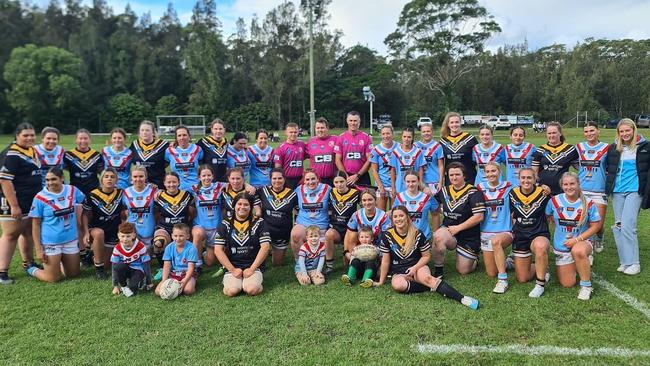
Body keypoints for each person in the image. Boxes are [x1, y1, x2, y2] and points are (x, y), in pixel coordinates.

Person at [376, 205, 480, 310]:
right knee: (398, 285)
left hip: (418, 267)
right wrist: (381, 281)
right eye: (395, 217)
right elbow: (385, 261)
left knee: (428, 278)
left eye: (401, 216)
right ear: (392, 220)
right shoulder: (387, 235)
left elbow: (426, 256)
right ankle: (429, 287)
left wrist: (415, 268)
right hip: (399, 271)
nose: (398, 219)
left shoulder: (417, 234)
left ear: (407, 217)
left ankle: (462, 299)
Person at [545, 172, 601, 300]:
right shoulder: (554, 201)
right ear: (562, 186)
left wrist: (577, 239)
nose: (569, 187)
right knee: (567, 283)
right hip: (562, 246)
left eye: (572, 184)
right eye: (565, 184)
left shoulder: (588, 203)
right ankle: (576, 264)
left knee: (578, 250)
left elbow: (596, 226)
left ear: (578, 184)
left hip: (582, 241)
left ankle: (586, 286)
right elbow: (547, 217)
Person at [605, 118, 650, 275]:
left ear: (634, 130)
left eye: (627, 130)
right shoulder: (613, 148)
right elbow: (608, 168)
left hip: (634, 191)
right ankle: (625, 261)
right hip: (617, 192)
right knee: (618, 226)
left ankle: (634, 263)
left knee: (628, 225)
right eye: (621, 131)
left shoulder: (645, 147)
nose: (624, 134)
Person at [25, 168, 85, 282]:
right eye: (47, 180)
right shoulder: (40, 197)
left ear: (62, 178)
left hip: (71, 239)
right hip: (51, 242)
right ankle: (31, 268)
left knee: (73, 274)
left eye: (53, 179)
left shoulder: (72, 190)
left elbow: (84, 203)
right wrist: (38, 249)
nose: (50, 183)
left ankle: (60, 263)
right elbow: (36, 225)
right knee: (53, 278)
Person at [0, 123, 42, 284]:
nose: (30, 138)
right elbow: (4, 180)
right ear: (17, 136)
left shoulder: (30, 150)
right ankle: (2, 272)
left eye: (32, 135)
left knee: (27, 232)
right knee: (10, 235)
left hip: (29, 201)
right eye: (26, 135)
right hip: (14, 202)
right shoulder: (12, 154)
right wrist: (14, 205)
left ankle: (28, 263)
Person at [432, 163, 485, 278]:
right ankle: (439, 271)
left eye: (457, 174)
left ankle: (474, 257)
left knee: (463, 270)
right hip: (449, 230)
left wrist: (458, 228)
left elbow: (479, 216)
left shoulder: (474, 192)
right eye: (451, 175)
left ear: (464, 176)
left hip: (469, 235)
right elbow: (430, 204)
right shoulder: (444, 191)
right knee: (438, 236)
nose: (454, 178)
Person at [214, 192, 271, 297]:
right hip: (233, 266)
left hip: (253, 266)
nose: (242, 207)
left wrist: (252, 269)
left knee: (251, 290)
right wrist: (232, 270)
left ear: (251, 207)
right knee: (232, 291)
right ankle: (233, 282)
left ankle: (252, 281)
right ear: (234, 206)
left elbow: (265, 247)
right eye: (239, 204)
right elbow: (218, 250)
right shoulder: (225, 224)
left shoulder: (259, 222)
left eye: (246, 204)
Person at [507, 168, 551, 297]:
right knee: (522, 278)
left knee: (540, 246)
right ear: (519, 179)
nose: (526, 180)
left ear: (535, 179)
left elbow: (558, 206)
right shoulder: (512, 193)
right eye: (523, 178)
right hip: (520, 236)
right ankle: (542, 265)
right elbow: (510, 213)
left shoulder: (543, 193)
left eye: (529, 178)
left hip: (539, 233)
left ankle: (540, 284)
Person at [476, 162, 514, 287]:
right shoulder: (479, 188)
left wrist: (545, 188)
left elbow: (526, 190)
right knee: (491, 272)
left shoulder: (509, 186)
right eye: (488, 171)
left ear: (499, 172)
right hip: (486, 232)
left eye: (494, 171)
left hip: (505, 230)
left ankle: (503, 279)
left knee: (496, 242)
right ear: (484, 173)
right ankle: (509, 262)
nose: (491, 174)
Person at [81, 168, 124, 279]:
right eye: (106, 176)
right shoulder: (92, 195)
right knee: (99, 233)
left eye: (112, 177)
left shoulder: (121, 193)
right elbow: (85, 215)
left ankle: (90, 255)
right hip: (96, 230)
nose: (109, 179)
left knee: (107, 265)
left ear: (116, 180)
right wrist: (86, 233)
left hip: (113, 233)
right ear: (101, 179)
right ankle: (99, 271)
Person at [152, 172, 195, 276]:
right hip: (165, 228)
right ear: (164, 184)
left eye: (174, 182)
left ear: (179, 182)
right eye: (169, 182)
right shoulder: (159, 197)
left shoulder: (187, 195)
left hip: (182, 229)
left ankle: (187, 267)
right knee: (158, 243)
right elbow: (156, 214)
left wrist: (187, 227)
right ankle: (163, 267)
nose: (171, 184)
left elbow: (192, 213)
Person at [576, 122, 609, 253]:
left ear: (598, 131)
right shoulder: (579, 147)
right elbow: (573, 162)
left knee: (598, 224)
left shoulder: (607, 147)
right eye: (586, 131)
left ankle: (600, 236)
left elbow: (612, 165)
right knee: (583, 223)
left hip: (599, 191)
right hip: (582, 190)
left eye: (592, 130)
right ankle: (587, 250)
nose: (589, 134)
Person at [259, 168, 298, 266]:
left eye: (280, 178)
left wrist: (297, 225)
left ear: (284, 179)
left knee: (277, 264)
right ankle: (265, 248)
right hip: (265, 230)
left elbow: (298, 211)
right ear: (270, 179)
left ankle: (272, 250)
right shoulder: (263, 191)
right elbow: (249, 195)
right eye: (274, 178)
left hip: (282, 232)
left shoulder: (292, 194)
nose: (277, 181)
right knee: (260, 262)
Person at [290, 169, 332, 259]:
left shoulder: (327, 188)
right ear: (304, 181)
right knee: (295, 235)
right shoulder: (299, 190)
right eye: (307, 180)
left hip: (321, 225)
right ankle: (300, 263)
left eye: (313, 179)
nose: (310, 182)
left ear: (318, 179)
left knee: (318, 259)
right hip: (303, 223)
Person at [325, 171, 359, 274]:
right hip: (336, 228)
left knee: (346, 264)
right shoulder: (331, 192)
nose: (339, 184)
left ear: (346, 181)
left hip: (350, 229)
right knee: (328, 234)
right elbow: (329, 208)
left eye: (341, 181)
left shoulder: (356, 193)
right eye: (336, 182)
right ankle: (329, 265)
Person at [191, 165, 224, 268]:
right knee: (197, 233)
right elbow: (173, 188)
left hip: (216, 227)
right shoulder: (193, 189)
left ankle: (205, 252)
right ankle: (197, 264)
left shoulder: (219, 186)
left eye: (209, 175)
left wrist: (247, 185)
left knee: (210, 262)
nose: (206, 178)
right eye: (203, 175)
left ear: (213, 176)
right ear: (199, 177)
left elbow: (236, 182)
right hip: (201, 226)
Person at [532, 121, 578, 195]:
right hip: (543, 190)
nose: (552, 135)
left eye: (554, 133)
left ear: (560, 133)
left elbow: (578, 167)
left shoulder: (570, 149)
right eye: (549, 133)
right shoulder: (540, 149)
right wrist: (538, 185)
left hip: (562, 190)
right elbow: (534, 172)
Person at [155, 223, 198, 297]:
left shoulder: (191, 248)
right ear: (172, 236)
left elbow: (191, 268)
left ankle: (191, 283)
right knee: (158, 292)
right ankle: (175, 288)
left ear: (187, 236)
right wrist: (164, 280)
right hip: (173, 274)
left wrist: (184, 281)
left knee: (188, 290)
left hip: (186, 274)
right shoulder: (169, 247)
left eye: (181, 236)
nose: (178, 239)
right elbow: (166, 266)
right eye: (175, 236)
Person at [393, 171, 438, 242]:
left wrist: (435, 234)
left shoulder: (427, 197)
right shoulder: (399, 197)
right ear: (404, 182)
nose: (410, 184)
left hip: (423, 236)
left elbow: (435, 214)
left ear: (418, 182)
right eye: (408, 181)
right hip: (404, 236)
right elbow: (394, 216)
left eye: (413, 181)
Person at [110, 222, 152, 297]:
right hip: (126, 269)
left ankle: (139, 281)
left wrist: (149, 281)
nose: (125, 239)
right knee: (118, 266)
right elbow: (114, 266)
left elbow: (146, 264)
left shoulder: (140, 246)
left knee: (133, 288)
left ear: (133, 235)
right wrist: (115, 285)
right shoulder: (117, 248)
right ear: (118, 236)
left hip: (138, 269)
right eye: (122, 236)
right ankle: (123, 286)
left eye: (128, 236)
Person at [344, 188, 391, 253]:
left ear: (375, 200)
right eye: (364, 200)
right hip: (360, 246)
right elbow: (348, 234)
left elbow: (387, 238)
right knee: (352, 235)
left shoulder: (383, 216)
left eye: (370, 200)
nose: (367, 203)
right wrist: (346, 252)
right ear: (361, 202)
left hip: (378, 247)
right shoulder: (356, 215)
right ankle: (354, 257)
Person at [335, 111, 373, 188]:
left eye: (355, 121)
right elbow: (337, 160)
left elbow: (369, 159)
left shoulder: (366, 138)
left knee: (366, 199)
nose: (353, 123)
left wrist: (357, 175)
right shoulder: (341, 138)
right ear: (347, 121)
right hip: (346, 177)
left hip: (362, 176)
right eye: (351, 120)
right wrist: (345, 176)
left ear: (359, 122)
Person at [122, 166, 157, 248]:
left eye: (141, 176)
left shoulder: (154, 190)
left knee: (147, 259)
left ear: (146, 177)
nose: (138, 179)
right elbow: (121, 210)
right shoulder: (125, 192)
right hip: (131, 229)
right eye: (135, 177)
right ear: (131, 177)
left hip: (148, 227)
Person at [439, 112, 478, 185]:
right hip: (451, 180)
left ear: (461, 123)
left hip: (469, 178)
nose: (454, 125)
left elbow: (478, 159)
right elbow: (440, 163)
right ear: (448, 124)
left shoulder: (470, 139)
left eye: (457, 122)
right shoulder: (443, 141)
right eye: (452, 122)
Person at [130, 120, 169, 189]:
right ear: (139, 133)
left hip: (158, 184)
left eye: (147, 130)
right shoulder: (134, 144)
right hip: (139, 183)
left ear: (153, 132)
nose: (144, 132)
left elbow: (168, 162)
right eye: (142, 130)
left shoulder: (164, 145)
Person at [64, 128, 103, 195]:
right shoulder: (68, 155)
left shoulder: (96, 155)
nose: (83, 141)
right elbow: (62, 170)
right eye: (80, 138)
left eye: (85, 138)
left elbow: (101, 173)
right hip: (75, 191)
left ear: (90, 140)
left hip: (94, 190)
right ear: (76, 140)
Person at [165, 125, 203, 191]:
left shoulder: (197, 149)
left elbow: (202, 164)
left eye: (184, 135)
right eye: (179, 135)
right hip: (176, 188)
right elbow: (164, 165)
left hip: (195, 187)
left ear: (189, 136)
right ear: (176, 138)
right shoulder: (169, 151)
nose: (182, 138)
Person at [390, 127, 425, 195]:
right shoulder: (395, 152)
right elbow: (392, 170)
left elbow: (420, 169)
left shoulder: (418, 152)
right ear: (401, 137)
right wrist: (393, 187)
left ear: (412, 138)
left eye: (409, 137)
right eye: (404, 136)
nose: (406, 139)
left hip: (414, 186)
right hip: (399, 186)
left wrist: (420, 183)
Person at [370, 125, 397, 210]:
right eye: (383, 134)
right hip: (382, 184)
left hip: (396, 185)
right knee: (381, 214)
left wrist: (395, 187)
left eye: (388, 133)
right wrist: (381, 187)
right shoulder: (376, 149)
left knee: (395, 212)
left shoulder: (399, 147)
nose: (386, 136)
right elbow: (374, 170)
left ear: (392, 134)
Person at [306, 118, 338, 187]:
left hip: (332, 179)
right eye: (318, 128)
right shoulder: (311, 141)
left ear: (327, 128)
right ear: (315, 129)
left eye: (322, 128)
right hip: (316, 180)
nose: (320, 130)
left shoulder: (336, 139)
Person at [415, 122, 444, 197]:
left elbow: (441, 166)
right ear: (421, 133)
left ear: (432, 132)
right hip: (417, 181)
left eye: (428, 131)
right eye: (424, 131)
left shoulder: (437, 146)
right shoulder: (415, 145)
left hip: (433, 180)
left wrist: (440, 182)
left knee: (435, 206)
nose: (426, 133)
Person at [274, 123, 306, 189]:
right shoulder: (281, 148)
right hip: (287, 180)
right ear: (286, 132)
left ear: (298, 132)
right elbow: (278, 168)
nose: (293, 134)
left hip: (300, 179)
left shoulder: (302, 144)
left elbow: (306, 156)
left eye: (295, 132)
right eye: (291, 132)